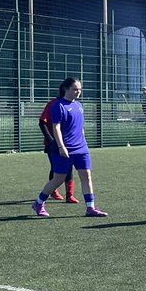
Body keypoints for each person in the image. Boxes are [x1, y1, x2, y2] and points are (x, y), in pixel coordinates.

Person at [31, 77, 107, 217]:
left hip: (82, 148)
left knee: (86, 176)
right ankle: (39, 202)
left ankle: (90, 208)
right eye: (75, 89)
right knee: (58, 179)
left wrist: (84, 142)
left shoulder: (79, 105)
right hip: (65, 149)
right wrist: (61, 146)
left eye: (80, 89)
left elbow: (80, 127)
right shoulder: (58, 105)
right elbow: (56, 127)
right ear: (66, 89)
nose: (78, 92)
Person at [38, 96, 78, 203]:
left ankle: (70, 195)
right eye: (74, 89)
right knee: (56, 168)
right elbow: (42, 123)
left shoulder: (74, 104)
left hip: (69, 144)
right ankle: (53, 190)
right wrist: (50, 140)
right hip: (53, 145)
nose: (78, 92)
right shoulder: (53, 104)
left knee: (69, 167)